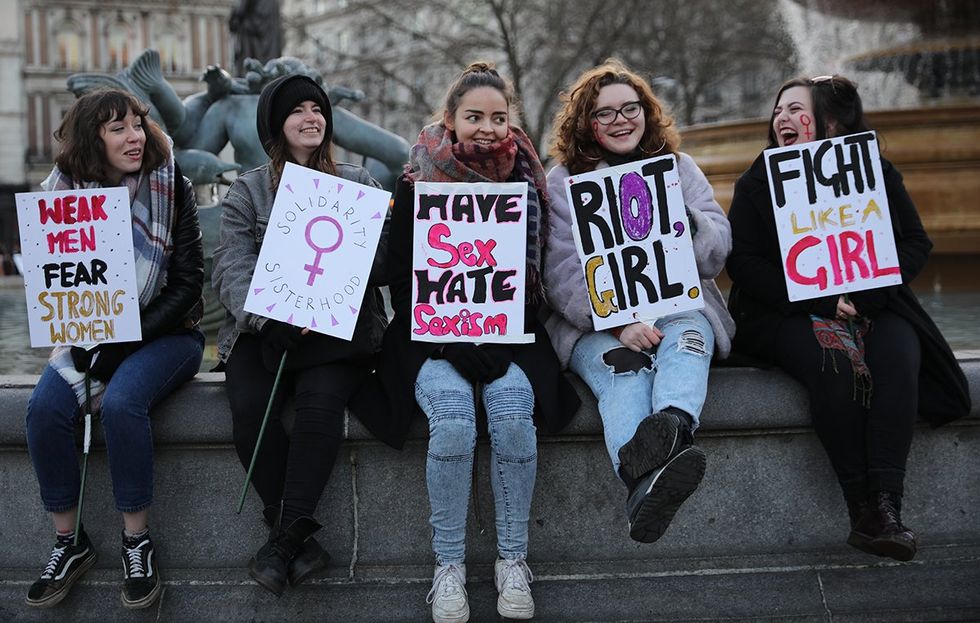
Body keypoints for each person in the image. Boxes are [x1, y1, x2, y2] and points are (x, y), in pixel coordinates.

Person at [726, 75, 971, 561]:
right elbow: (744, 264)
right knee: (833, 365)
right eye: (778, 110)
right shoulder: (757, 181)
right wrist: (819, 302)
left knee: (900, 361)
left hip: (876, 304)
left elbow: (915, 243)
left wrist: (866, 295)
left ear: (829, 122)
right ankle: (860, 504)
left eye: (796, 109)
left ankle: (886, 506)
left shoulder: (874, 169)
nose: (782, 118)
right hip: (786, 313)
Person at [376, 62, 579, 623]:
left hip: (509, 335)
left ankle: (512, 561)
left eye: (498, 117)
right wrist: (448, 339)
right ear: (450, 119)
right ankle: (448, 569)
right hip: (428, 336)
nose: (487, 128)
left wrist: (498, 334)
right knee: (454, 418)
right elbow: (398, 275)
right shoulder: (417, 180)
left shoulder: (526, 180)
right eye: (474, 117)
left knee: (514, 414)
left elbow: (531, 277)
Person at [25, 89, 205, 609]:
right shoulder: (63, 201)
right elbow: (58, 287)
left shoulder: (173, 187)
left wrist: (126, 337)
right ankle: (70, 542)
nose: (134, 136)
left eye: (138, 124)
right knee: (41, 410)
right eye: (117, 128)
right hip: (89, 336)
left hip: (169, 335)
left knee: (125, 404)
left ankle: (136, 541)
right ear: (92, 139)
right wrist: (87, 334)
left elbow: (189, 284)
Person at [211, 74, 388, 596]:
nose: (311, 118)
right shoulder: (247, 189)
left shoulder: (359, 183)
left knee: (319, 407)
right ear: (276, 125)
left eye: (318, 109)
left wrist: (347, 272)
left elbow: (385, 260)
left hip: (339, 331)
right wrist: (269, 318)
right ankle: (297, 541)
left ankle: (282, 544)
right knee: (249, 413)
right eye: (298, 111)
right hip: (267, 331)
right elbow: (230, 268)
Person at [544, 60, 734, 544]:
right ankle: (647, 480)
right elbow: (560, 272)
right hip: (597, 327)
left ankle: (670, 426)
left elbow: (716, 248)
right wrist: (617, 321)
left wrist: (686, 220)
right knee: (624, 371)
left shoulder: (679, 169)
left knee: (691, 339)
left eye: (630, 108)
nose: (620, 120)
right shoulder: (562, 182)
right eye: (604, 114)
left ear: (646, 112)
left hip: (678, 307)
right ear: (585, 123)